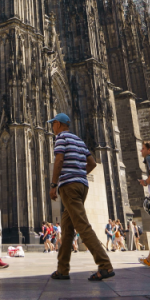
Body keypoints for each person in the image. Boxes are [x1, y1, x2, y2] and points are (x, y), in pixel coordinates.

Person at [42, 112, 115, 282]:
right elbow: (92, 163)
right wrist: (80, 174)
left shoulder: (61, 138)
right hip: (82, 186)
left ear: (59, 124)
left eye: (53, 124)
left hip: (69, 187)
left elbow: (59, 161)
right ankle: (62, 269)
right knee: (67, 229)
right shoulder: (79, 141)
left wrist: (54, 185)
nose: (52, 127)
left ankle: (105, 265)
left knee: (82, 226)